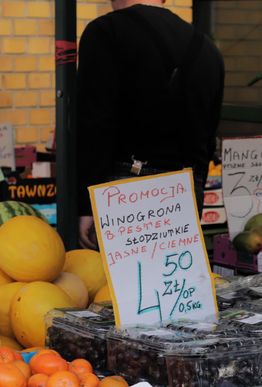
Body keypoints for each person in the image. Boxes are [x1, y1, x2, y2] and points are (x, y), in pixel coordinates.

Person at [76, 0, 225, 249]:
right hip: (185, 191)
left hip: (126, 192)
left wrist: (85, 202)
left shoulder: (106, 32)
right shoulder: (208, 49)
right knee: (171, 285)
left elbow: (94, 124)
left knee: (115, 287)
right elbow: (209, 136)